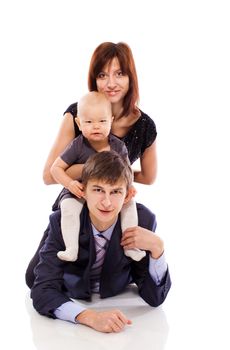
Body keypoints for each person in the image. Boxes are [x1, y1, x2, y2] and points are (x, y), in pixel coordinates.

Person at [25, 41, 157, 288]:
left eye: (119, 73)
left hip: (112, 207)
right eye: (102, 74)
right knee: (34, 277)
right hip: (77, 201)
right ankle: (78, 275)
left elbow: (148, 177)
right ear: (93, 79)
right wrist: (97, 172)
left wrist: (117, 183)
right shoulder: (79, 114)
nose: (111, 83)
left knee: (134, 263)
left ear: (131, 78)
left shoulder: (144, 125)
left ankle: (111, 273)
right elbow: (48, 174)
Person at [30, 151, 171, 333]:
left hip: (113, 282)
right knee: (32, 276)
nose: (106, 202)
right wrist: (90, 317)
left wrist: (157, 249)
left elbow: (155, 298)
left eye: (115, 192)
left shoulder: (143, 220)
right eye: (98, 190)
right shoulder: (62, 220)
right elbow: (42, 290)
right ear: (83, 191)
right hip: (72, 281)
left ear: (127, 196)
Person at [51, 91, 145, 262]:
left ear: (111, 121)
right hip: (79, 189)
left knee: (129, 206)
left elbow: (127, 172)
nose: (96, 126)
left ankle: (131, 247)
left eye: (102, 121)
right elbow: (55, 169)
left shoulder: (118, 146)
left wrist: (129, 188)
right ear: (79, 123)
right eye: (88, 122)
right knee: (68, 207)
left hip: (107, 192)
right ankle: (71, 248)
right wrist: (70, 183)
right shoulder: (77, 145)